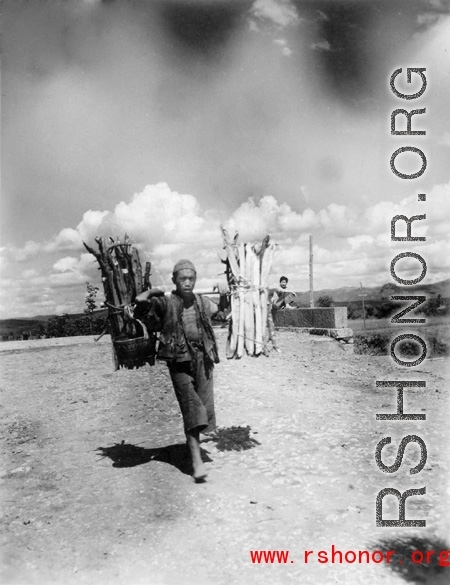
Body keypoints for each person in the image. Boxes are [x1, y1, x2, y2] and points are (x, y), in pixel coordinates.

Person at [135, 259, 223, 482]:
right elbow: (140, 303)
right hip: (179, 361)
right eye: (182, 278)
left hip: (204, 359)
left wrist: (225, 296)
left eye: (191, 278)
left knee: (203, 406)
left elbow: (222, 313)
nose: (187, 282)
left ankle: (194, 450)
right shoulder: (166, 303)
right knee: (191, 408)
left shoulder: (203, 302)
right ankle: (196, 462)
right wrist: (154, 291)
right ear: (174, 280)